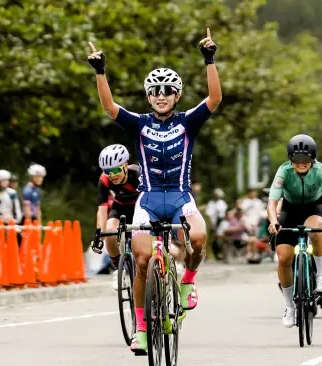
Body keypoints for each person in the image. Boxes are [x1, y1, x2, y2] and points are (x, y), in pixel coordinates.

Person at [88, 27, 222, 354]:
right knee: (143, 259)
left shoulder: (188, 122)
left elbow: (215, 99)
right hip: (147, 200)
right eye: (155, 91)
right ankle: (143, 330)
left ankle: (188, 278)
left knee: (200, 237)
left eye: (168, 90)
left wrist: (210, 61)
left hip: (179, 197)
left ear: (177, 95)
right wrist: (100, 72)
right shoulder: (139, 123)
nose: (161, 95)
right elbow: (109, 108)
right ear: (149, 97)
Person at [267, 134, 322, 328]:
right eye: (297, 160)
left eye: (306, 160)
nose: (302, 163)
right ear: (290, 159)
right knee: (283, 258)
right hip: (290, 210)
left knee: (315, 231)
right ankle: (290, 306)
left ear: (313, 160)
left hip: (314, 207)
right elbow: (272, 201)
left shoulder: (321, 171)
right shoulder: (284, 171)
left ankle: (321, 276)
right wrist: (273, 221)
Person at [96, 144, 141, 290]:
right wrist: (99, 234)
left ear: (125, 166)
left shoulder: (138, 174)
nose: (112, 175)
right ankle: (118, 269)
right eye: (107, 171)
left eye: (115, 170)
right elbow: (102, 210)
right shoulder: (104, 180)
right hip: (120, 207)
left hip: (140, 207)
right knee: (110, 232)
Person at [205, 188, 228, 260]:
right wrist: (212, 224)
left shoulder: (222, 203)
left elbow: (224, 213)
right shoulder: (211, 203)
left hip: (221, 222)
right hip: (214, 223)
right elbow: (209, 214)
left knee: (222, 239)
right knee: (211, 240)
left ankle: (223, 254)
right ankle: (208, 255)